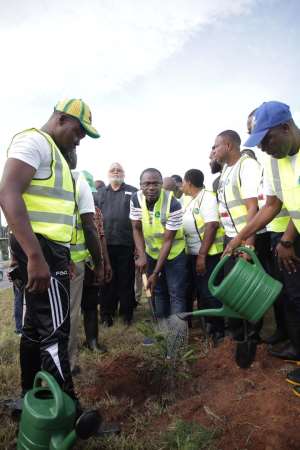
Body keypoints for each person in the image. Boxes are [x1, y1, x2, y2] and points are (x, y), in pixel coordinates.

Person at [0, 98, 100, 406]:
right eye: (79, 131)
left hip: (51, 251)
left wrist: (63, 256)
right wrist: (34, 256)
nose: (80, 139)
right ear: (60, 119)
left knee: (33, 330)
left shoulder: (58, 158)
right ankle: (69, 410)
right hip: (40, 251)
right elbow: (8, 192)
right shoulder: (34, 141)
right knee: (56, 334)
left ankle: (30, 399)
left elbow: (54, 215)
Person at [223, 101, 300, 365]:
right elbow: (272, 205)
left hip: (291, 237)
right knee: (293, 296)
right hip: (294, 236)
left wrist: (288, 238)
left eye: (266, 140)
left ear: (286, 127)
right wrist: (239, 237)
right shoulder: (275, 162)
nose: (263, 148)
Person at [212, 129, 263, 342]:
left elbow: (253, 207)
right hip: (231, 237)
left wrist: (248, 245)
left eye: (216, 146)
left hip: (247, 237)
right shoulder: (225, 171)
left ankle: (253, 335)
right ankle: (238, 332)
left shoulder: (247, 166)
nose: (213, 151)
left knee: (249, 288)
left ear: (229, 146)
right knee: (232, 286)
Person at [65, 150, 104, 374]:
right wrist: (99, 263)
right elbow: (89, 228)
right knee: (69, 314)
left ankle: (43, 365)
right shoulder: (77, 179)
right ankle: (67, 364)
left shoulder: (38, 176)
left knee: (44, 314)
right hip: (72, 263)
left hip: (41, 258)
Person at [130, 168, 187, 322]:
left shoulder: (173, 203)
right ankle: (162, 331)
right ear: (140, 185)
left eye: (156, 184)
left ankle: (177, 337)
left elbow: (168, 241)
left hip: (174, 254)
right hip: (151, 252)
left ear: (162, 185)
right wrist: (142, 255)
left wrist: (155, 273)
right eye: (147, 184)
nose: (151, 188)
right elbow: (136, 228)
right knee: (158, 291)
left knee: (176, 293)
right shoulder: (135, 199)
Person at [182, 169, 225, 342]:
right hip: (192, 253)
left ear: (189, 182)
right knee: (201, 291)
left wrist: (201, 255)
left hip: (208, 254)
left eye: (183, 182)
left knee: (210, 292)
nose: (182, 185)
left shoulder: (207, 197)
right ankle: (208, 324)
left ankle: (219, 330)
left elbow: (212, 225)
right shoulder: (190, 200)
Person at [94, 162, 137, 326]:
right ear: (108, 173)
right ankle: (106, 314)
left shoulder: (133, 192)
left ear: (124, 173)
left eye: (119, 169)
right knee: (106, 280)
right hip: (106, 245)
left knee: (126, 279)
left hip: (127, 244)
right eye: (113, 169)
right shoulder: (100, 193)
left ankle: (127, 313)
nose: (116, 172)